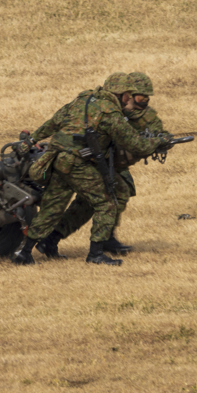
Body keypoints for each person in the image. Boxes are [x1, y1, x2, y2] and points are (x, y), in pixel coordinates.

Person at [14, 74, 169, 266]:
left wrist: (31, 139)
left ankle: (25, 253)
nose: (129, 100)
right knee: (107, 203)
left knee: (51, 208)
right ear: (119, 94)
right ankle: (95, 255)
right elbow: (138, 145)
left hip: (58, 160)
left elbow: (55, 121)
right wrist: (160, 141)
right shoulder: (110, 113)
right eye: (128, 96)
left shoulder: (84, 99)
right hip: (77, 164)